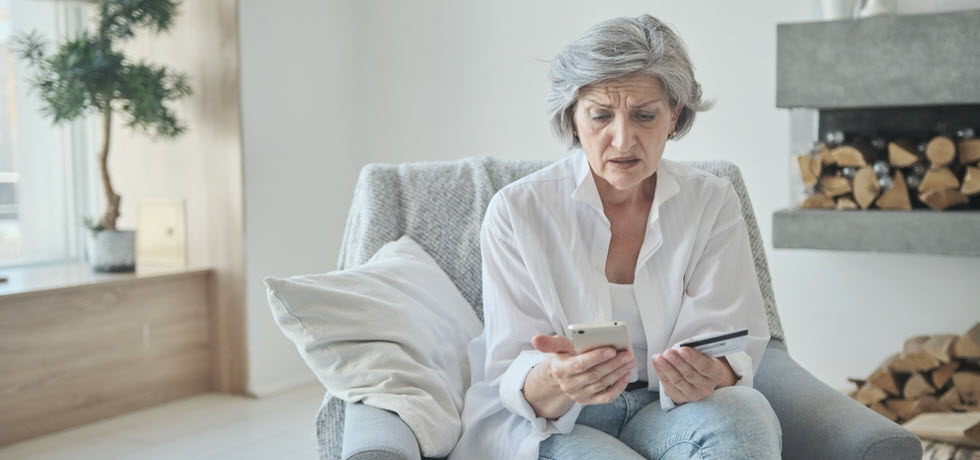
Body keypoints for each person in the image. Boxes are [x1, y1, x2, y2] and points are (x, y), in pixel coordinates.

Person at [450, 14, 781, 460]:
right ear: (572, 119)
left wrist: (715, 373)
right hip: (555, 421)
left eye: (644, 116)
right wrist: (556, 376)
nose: (623, 140)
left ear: (674, 116)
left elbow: (729, 342)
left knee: (746, 417)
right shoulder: (517, 211)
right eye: (601, 116)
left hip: (665, 409)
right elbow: (511, 370)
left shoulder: (712, 201)